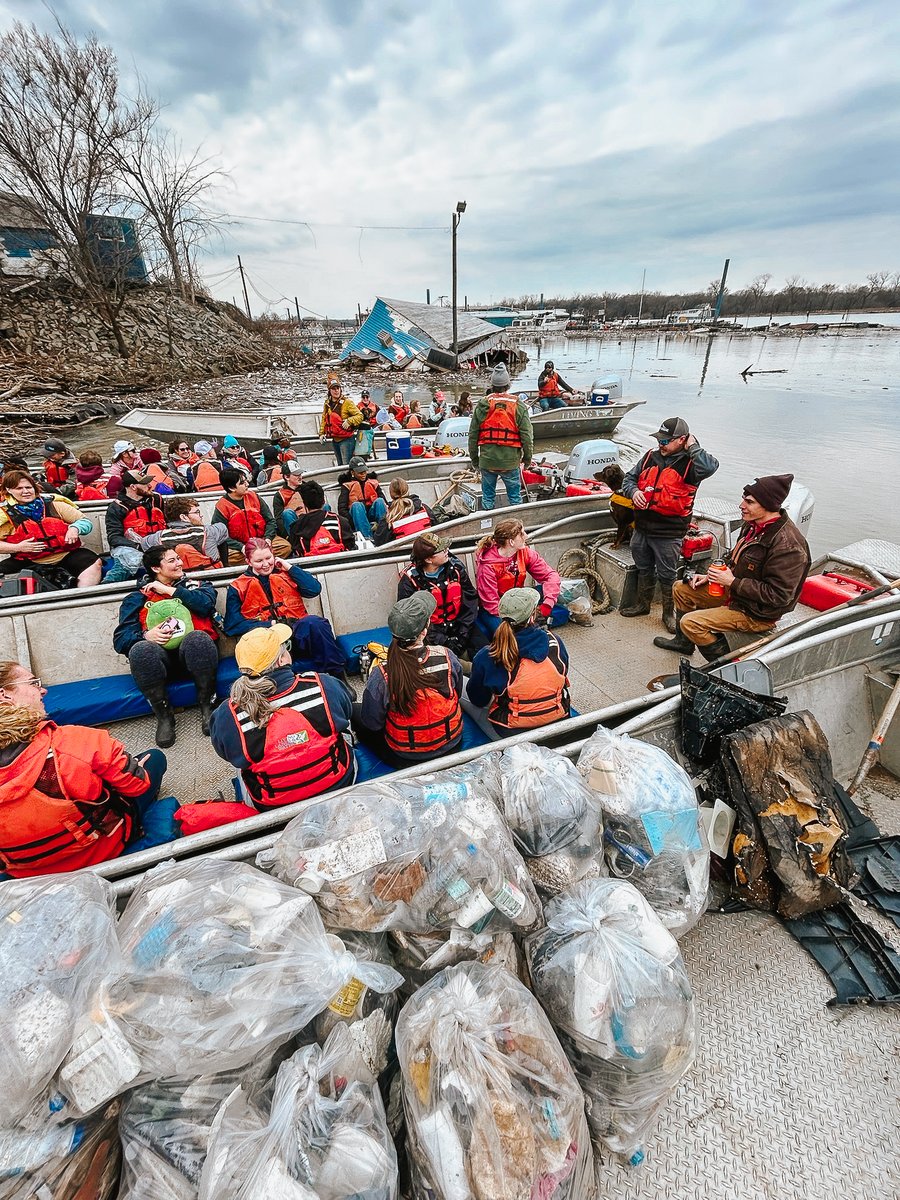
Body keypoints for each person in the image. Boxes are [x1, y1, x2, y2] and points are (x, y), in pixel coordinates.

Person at [0, 661, 168, 877]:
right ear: (4, 695)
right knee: (154, 759)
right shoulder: (74, 742)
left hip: (31, 875)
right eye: (33, 683)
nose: (43, 690)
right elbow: (137, 785)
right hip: (101, 851)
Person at [654, 473, 811, 661]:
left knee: (691, 623)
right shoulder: (753, 525)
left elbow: (779, 596)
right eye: (743, 499)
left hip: (756, 612)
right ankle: (683, 642)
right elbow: (734, 557)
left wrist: (732, 582)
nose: (741, 505)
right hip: (737, 594)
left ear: (769, 505)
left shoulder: (789, 546)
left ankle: (724, 666)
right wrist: (711, 576)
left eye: (749, 502)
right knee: (681, 589)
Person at [210, 624, 355, 809]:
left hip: (273, 805)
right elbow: (347, 711)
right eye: (286, 648)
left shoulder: (227, 713)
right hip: (337, 783)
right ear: (281, 660)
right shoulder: (323, 684)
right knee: (342, 729)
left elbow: (227, 753)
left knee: (241, 761)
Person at [113, 546, 221, 747]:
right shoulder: (137, 598)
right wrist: (146, 635)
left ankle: (208, 707)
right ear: (156, 568)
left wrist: (171, 590)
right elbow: (120, 639)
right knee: (140, 649)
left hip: (197, 657)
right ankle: (164, 716)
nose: (180, 563)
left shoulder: (197, 585)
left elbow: (206, 606)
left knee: (198, 638)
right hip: (162, 663)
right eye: (172, 561)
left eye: (178, 558)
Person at [619, 416, 719, 632]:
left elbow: (710, 467)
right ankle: (643, 605)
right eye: (659, 440)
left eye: (665, 441)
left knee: (667, 574)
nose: (660, 444)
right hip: (641, 528)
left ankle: (668, 613)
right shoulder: (650, 456)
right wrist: (634, 492)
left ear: (682, 439)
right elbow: (628, 479)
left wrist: (694, 446)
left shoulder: (692, 465)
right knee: (643, 567)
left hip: (668, 533)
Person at [353, 593, 464, 767]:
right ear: (425, 630)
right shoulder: (447, 656)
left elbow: (372, 723)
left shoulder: (381, 674)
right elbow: (457, 692)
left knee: (354, 711)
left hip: (405, 757)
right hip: (451, 745)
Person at [224, 537, 347, 677]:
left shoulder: (286, 573)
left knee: (315, 623)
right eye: (259, 561)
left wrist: (289, 567)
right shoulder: (237, 587)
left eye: (268, 558)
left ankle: (338, 676)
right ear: (248, 561)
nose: (265, 564)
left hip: (295, 634)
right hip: (267, 642)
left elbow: (314, 589)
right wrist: (271, 624)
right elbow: (232, 626)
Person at [465, 587, 571, 739]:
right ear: (532, 616)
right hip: (557, 721)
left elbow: (478, 700)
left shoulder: (488, 655)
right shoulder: (556, 642)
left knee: (463, 687)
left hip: (511, 733)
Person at [0, 469, 102, 588]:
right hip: (28, 561)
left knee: (94, 562)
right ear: (8, 490)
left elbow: (85, 521)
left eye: (28, 487)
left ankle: (82, 594)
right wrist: (18, 547)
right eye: (19, 488)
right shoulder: (5, 515)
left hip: (65, 555)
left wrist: (75, 528)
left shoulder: (55, 505)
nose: (25, 491)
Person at [397, 532, 486, 659]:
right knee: (441, 661)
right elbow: (411, 620)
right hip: (431, 633)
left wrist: (463, 634)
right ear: (428, 559)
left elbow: (470, 602)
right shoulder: (409, 581)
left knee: (486, 654)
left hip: (461, 626)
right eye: (442, 550)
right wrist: (442, 640)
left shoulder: (456, 569)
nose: (447, 551)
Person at [474, 517, 561, 636]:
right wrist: (520, 618)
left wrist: (547, 604)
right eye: (522, 534)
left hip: (519, 599)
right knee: (511, 635)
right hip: (497, 609)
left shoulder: (524, 552)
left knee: (558, 607)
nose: (526, 536)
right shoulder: (487, 566)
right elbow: (491, 604)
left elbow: (550, 576)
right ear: (511, 542)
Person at [468, 363, 533, 510]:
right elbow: (527, 437)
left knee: (488, 497)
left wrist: (475, 460)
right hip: (510, 462)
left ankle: (487, 518)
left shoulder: (482, 405)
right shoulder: (518, 406)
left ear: (492, 385)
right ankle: (516, 521)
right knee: (515, 498)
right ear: (508, 385)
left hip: (487, 461)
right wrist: (527, 459)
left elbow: (472, 436)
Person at [212, 468, 282, 565]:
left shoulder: (255, 497)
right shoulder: (222, 506)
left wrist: (268, 538)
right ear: (232, 488)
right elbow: (219, 535)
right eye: (242, 483)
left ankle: (256, 559)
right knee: (228, 557)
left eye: (246, 481)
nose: (247, 484)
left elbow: (270, 521)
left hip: (262, 540)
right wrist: (241, 547)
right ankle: (261, 559)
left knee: (285, 547)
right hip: (239, 548)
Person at [105, 469, 166, 579]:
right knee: (130, 559)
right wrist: (138, 546)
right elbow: (114, 537)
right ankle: (107, 586)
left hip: (159, 544)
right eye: (145, 483)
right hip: (131, 548)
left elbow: (168, 523)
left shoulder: (157, 499)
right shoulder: (116, 507)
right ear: (133, 487)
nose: (150, 486)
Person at [139, 495, 229, 569]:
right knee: (221, 540)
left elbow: (144, 543)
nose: (201, 516)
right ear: (183, 517)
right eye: (196, 512)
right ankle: (226, 568)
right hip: (212, 576)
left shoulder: (156, 538)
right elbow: (222, 528)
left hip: (175, 578)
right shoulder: (209, 531)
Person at [290, 480, 351, 557]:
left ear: (304, 503)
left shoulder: (296, 527)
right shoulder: (341, 521)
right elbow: (350, 546)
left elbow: (297, 552)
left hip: (311, 563)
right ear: (324, 501)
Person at [338, 456, 387, 541]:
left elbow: (384, 500)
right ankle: (367, 538)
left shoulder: (373, 483)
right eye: (360, 473)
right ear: (352, 472)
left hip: (372, 513)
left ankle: (385, 533)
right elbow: (342, 509)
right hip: (356, 516)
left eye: (365, 471)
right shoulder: (347, 485)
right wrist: (354, 520)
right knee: (356, 505)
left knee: (380, 501)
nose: (363, 474)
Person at [372, 478, 434, 545]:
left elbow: (378, 542)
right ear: (407, 490)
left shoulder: (388, 518)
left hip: (405, 551)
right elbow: (436, 528)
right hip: (427, 548)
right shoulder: (424, 508)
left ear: (391, 494)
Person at [320, 379, 363, 466]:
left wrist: (349, 421)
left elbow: (360, 416)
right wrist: (321, 433)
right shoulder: (327, 404)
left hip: (347, 440)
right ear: (329, 391)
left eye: (338, 388)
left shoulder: (347, 402)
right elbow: (324, 418)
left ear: (340, 389)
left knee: (346, 465)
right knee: (340, 465)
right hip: (335, 440)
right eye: (333, 389)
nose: (336, 391)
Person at [272, 460, 305, 538]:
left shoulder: (308, 487)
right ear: (286, 477)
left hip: (310, 520)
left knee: (325, 506)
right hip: (295, 525)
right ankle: (295, 540)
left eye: (300, 474)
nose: (300, 477)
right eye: (296, 475)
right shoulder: (279, 495)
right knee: (287, 513)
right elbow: (279, 520)